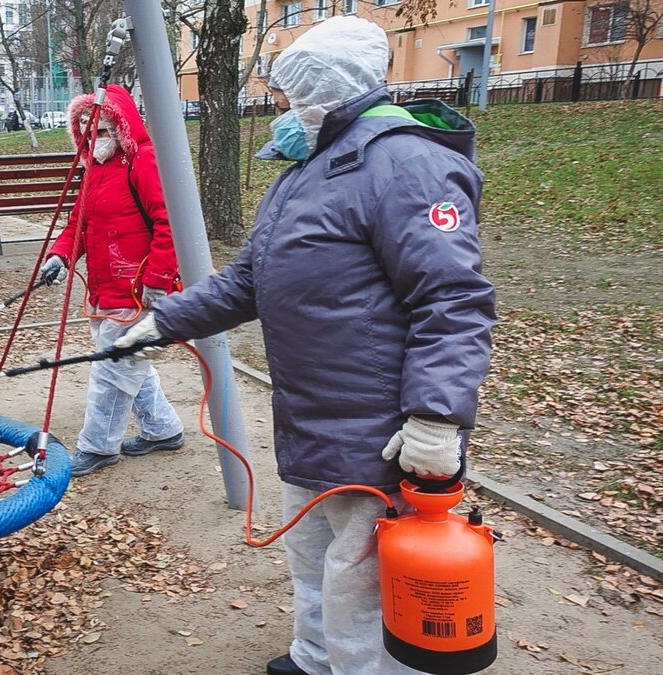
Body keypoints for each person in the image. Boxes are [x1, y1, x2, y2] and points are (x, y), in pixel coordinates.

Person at [115, 17, 496, 675]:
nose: (279, 112)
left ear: (327, 91)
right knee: (315, 556)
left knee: (363, 584)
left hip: (377, 432)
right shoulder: (304, 174)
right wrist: (164, 321)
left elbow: (454, 302)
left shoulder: (408, 164)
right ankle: (316, 656)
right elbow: (248, 281)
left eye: (287, 98)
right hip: (313, 421)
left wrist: (435, 418)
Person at [36, 84, 185, 477]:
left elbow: (170, 222)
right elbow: (79, 225)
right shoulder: (95, 170)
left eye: (102, 130)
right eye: (86, 132)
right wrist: (60, 255)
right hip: (104, 287)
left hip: (137, 289)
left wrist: (159, 277)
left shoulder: (144, 161)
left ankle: (98, 447)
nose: (94, 139)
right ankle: (163, 429)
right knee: (127, 361)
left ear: (121, 126)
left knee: (113, 367)